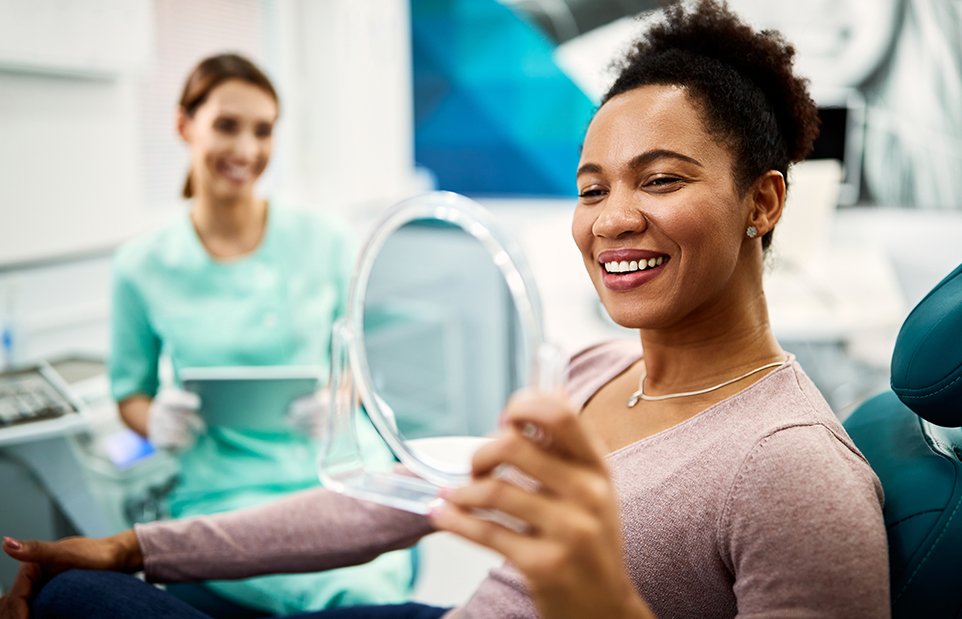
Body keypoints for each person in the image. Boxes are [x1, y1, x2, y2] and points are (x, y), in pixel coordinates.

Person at [0, 3, 890, 618]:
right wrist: (136, 547)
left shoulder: (795, 476)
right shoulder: (590, 375)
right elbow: (385, 509)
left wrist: (600, 602)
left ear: (763, 203)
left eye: (661, 179)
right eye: (591, 188)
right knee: (83, 587)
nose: (613, 218)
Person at [58, 53, 414, 616]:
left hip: (337, 474)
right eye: (227, 125)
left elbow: (363, 367)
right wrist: (156, 421)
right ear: (183, 125)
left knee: (365, 589)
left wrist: (340, 403)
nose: (247, 150)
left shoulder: (323, 240)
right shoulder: (143, 265)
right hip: (221, 491)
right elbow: (130, 393)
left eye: (263, 130)